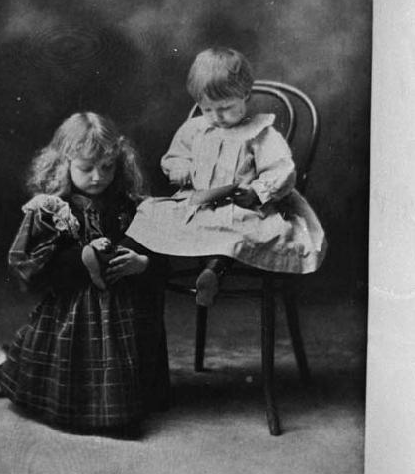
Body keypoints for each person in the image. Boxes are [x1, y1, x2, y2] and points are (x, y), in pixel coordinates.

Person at [0, 112, 170, 438]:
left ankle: (118, 405)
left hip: (127, 307)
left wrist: (143, 262)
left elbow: (162, 251)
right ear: (64, 164)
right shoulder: (52, 209)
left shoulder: (129, 205)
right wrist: (82, 257)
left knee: (130, 365)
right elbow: (29, 267)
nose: (97, 177)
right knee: (66, 366)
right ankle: (6, 365)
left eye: (107, 167)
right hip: (75, 306)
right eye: (86, 168)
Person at [126, 47, 327, 307]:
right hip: (200, 205)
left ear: (245, 95)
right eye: (207, 109)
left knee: (234, 232)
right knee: (149, 211)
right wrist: (180, 169)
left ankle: (213, 273)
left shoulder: (260, 133)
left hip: (243, 207)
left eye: (225, 108)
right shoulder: (195, 129)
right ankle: (120, 254)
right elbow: (174, 157)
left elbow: (282, 170)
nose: (217, 117)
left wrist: (257, 191)